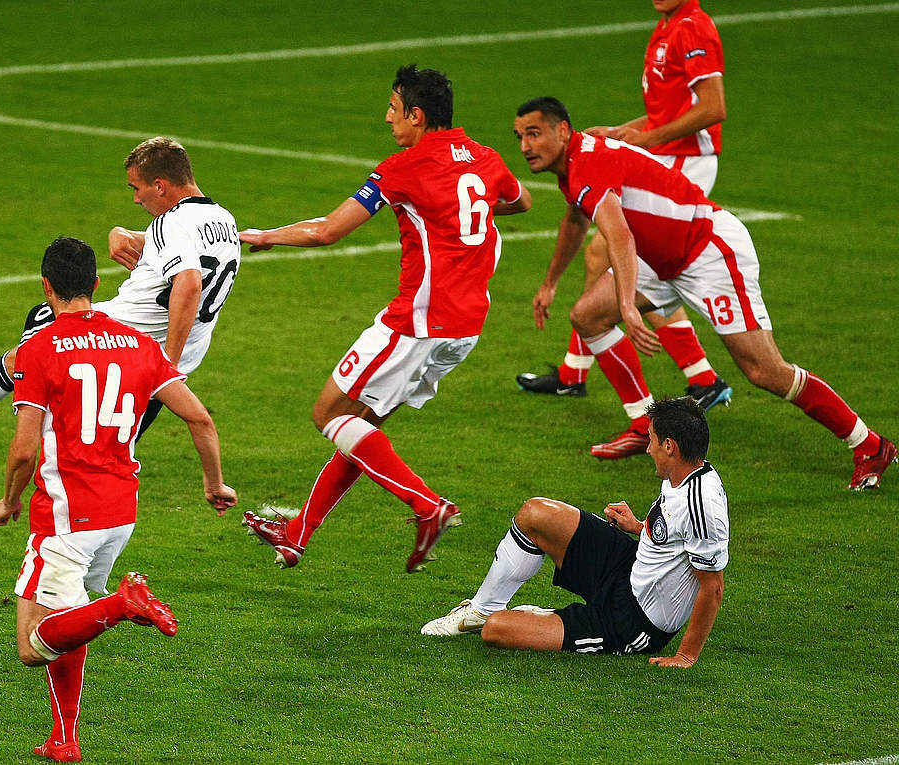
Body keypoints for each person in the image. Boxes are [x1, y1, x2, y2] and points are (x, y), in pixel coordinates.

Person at [237, 64, 532, 572]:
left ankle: (427, 505)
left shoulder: (403, 168)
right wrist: (464, 208)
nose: (387, 118)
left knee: (329, 415)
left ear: (417, 115)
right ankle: (298, 533)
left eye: (394, 109)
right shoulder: (486, 157)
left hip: (416, 322)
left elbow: (328, 230)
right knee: (362, 430)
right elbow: (520, 200)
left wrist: (265, 236)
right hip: (465, 328)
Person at [512, 96, 894, 488]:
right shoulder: (574, 163)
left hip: (708, 251)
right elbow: (576, 220)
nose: (525, 146)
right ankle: (644, 424)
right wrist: (550, 282)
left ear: (563, 130)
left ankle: (869, 444)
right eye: (520, 137)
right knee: (588, 317)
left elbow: (620, 236)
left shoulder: (587, 163)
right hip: (662, 257)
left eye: (534, 134)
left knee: (765, 371)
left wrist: (627, 303)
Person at [0, 237, 237, 762]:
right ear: (97, 284)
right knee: (65, 618)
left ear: (46, 287)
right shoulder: (139, 345)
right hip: (120, 513)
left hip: (66, 516)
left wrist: (9, 501)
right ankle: (64, 738)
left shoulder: (38, 349)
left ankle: (123, 603)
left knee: (32, 644)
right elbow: (200, 418)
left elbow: (24, 449)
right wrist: (214, 484)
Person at [0, 137, 240, 439]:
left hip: (117, 343)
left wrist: (168, 362)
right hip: (157, 378)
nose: (136, 199)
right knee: (111, 461)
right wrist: (125, 234)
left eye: (136, 188)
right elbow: (181, 248)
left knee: (36, 337)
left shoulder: (170, 222)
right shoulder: (224, 221)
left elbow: (188, 282)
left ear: (160, 186)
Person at [517, 0, 732, 415]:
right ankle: (576, 372)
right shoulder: (667, 26)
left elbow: (713, 108)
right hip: (670, 153)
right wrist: (625, 131)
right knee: (605, 256)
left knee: (630, 260)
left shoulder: (693, 27)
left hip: (687, 161)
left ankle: (700, 378)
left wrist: (648, 140)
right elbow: (665, 113)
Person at [422, 397, 725, 666]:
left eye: (652, 440)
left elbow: (713, 588)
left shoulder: (702, 504)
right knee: (535, 513)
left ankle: (530, 618)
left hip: (632, 623)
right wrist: (637, 526)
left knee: (497, 629)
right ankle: (479, 611)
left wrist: (686, 656)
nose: (647, 449)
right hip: (628, 566)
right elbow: (674, 537)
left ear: (670, 446)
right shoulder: (682, 472)